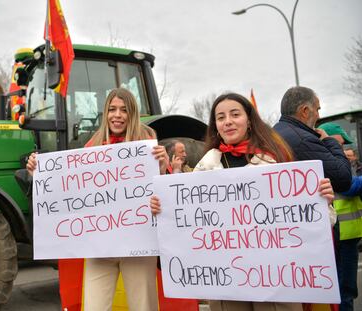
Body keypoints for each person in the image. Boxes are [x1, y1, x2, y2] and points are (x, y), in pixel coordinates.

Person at [151, 92, 335, 311]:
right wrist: (162, 209)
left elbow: (310, 220)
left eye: (235, 114)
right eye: (220, 117)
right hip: (226, 282)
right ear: (216, 126)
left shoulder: (277, 160)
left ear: (249, 120)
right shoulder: (203, 168)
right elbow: (185, 225)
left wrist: (321, 198)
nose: (227, 121)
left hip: (275, 279)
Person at [27, 88, 169, 311]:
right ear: (105, 113)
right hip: (100, 247)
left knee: (144, 306)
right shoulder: (91, 147)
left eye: (124, 110)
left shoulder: (149, 144)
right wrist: (41, 173)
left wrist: (162, 167)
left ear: (132, 114)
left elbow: (166, 194)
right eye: (112, 109)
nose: (117, 115)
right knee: (93, 306)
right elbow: (70, 189)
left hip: (138, 245)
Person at [273, 86, 352, 193]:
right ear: (305, 111)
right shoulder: (304, 140)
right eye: (317, 109)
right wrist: (329, 140)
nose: (318, 116)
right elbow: (343, 180)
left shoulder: (273, 134)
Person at [318, 122, 362, 311]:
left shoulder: (338, 162)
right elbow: (348, 186)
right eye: (340, 144)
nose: (343, 149)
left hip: (348, 235)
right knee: (345, 290)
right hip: (340, 236)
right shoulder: (330, 163)